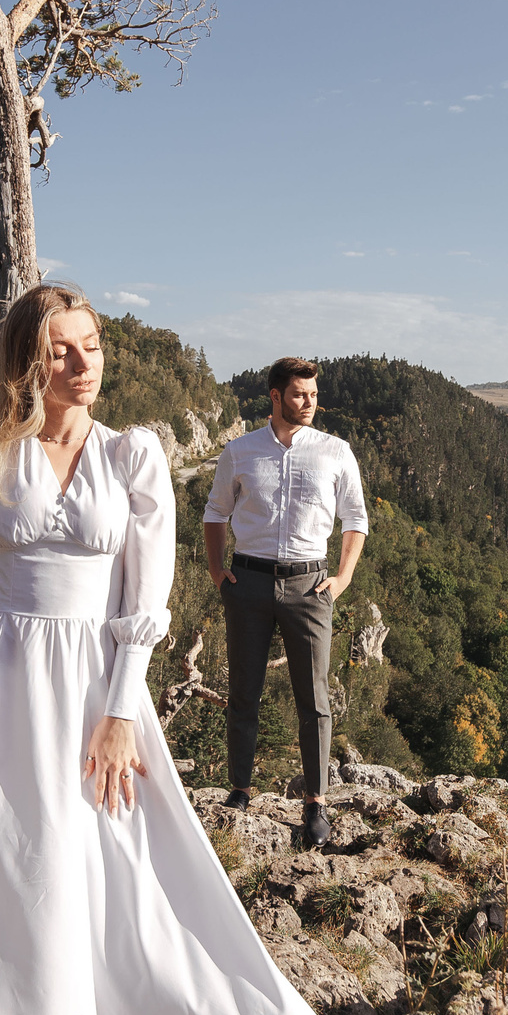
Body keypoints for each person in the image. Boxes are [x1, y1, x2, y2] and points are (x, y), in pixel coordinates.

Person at [0, 284, 371, 1015]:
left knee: (123, 887)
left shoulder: (134, 456)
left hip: (93, 699)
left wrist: (122, 711)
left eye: (95, 344)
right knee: (5, 907)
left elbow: (143, 608)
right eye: (65, 351)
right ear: (27, 364)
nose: (87, 363)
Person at [201, 357, 368, 848]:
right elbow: (215, 513)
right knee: (243, 693)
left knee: (314, 700)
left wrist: (341, 579)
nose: (310, 402)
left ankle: (315, 805)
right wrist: (217, 571)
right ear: (274, 397)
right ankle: (239, 791)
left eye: (313, 394)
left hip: (310, 588)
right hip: (248, 582)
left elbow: (355, 519)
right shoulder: (240, 451)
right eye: (299, 394)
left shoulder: (336, 452)